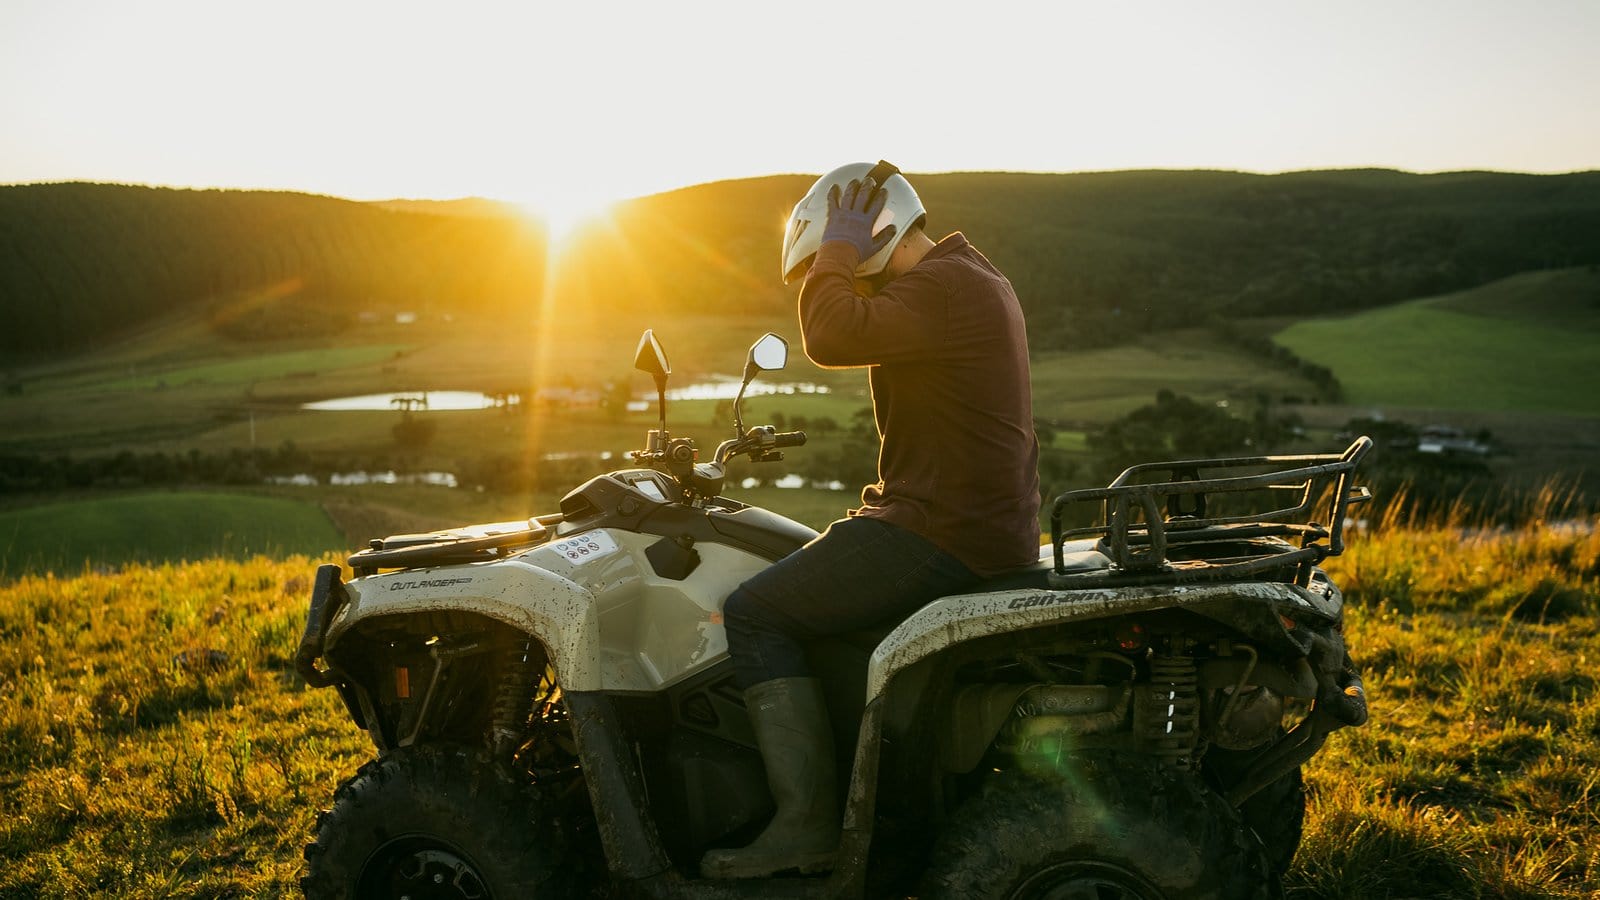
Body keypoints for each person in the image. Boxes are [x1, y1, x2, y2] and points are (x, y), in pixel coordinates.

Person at [699, 161, 1041, 879]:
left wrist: (838, 251)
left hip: (941, 531)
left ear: (878, 232)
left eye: (860, 255)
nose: (858, 279)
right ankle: (874, 809)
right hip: (962, 523)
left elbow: (830, 335)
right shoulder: (970, 278)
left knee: (756, 610)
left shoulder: (946, 285)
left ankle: (804, 829)